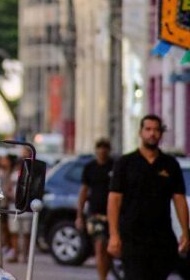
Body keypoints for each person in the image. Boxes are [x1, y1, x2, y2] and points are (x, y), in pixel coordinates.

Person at [107, 114, 189, 280]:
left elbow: (179, 199)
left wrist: (185, 233)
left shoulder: (170, 164)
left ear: (161, 133)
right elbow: (114, 200)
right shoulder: (125, 163)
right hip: (132, 237)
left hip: (162, 238)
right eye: (148, 129)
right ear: (140, 132)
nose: (152, 134)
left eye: (156, 130)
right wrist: (114, 235)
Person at [76, 138, 113, 280]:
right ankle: (102, 277)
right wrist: (79, 215)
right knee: (99, 245)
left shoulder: (114, 166)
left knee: (109, 249)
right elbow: (84, 192)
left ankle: (106, 273)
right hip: (95, 213)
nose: (102, 151)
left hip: (111, 213)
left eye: (105, 148)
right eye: (100, 147)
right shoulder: (90, 168)